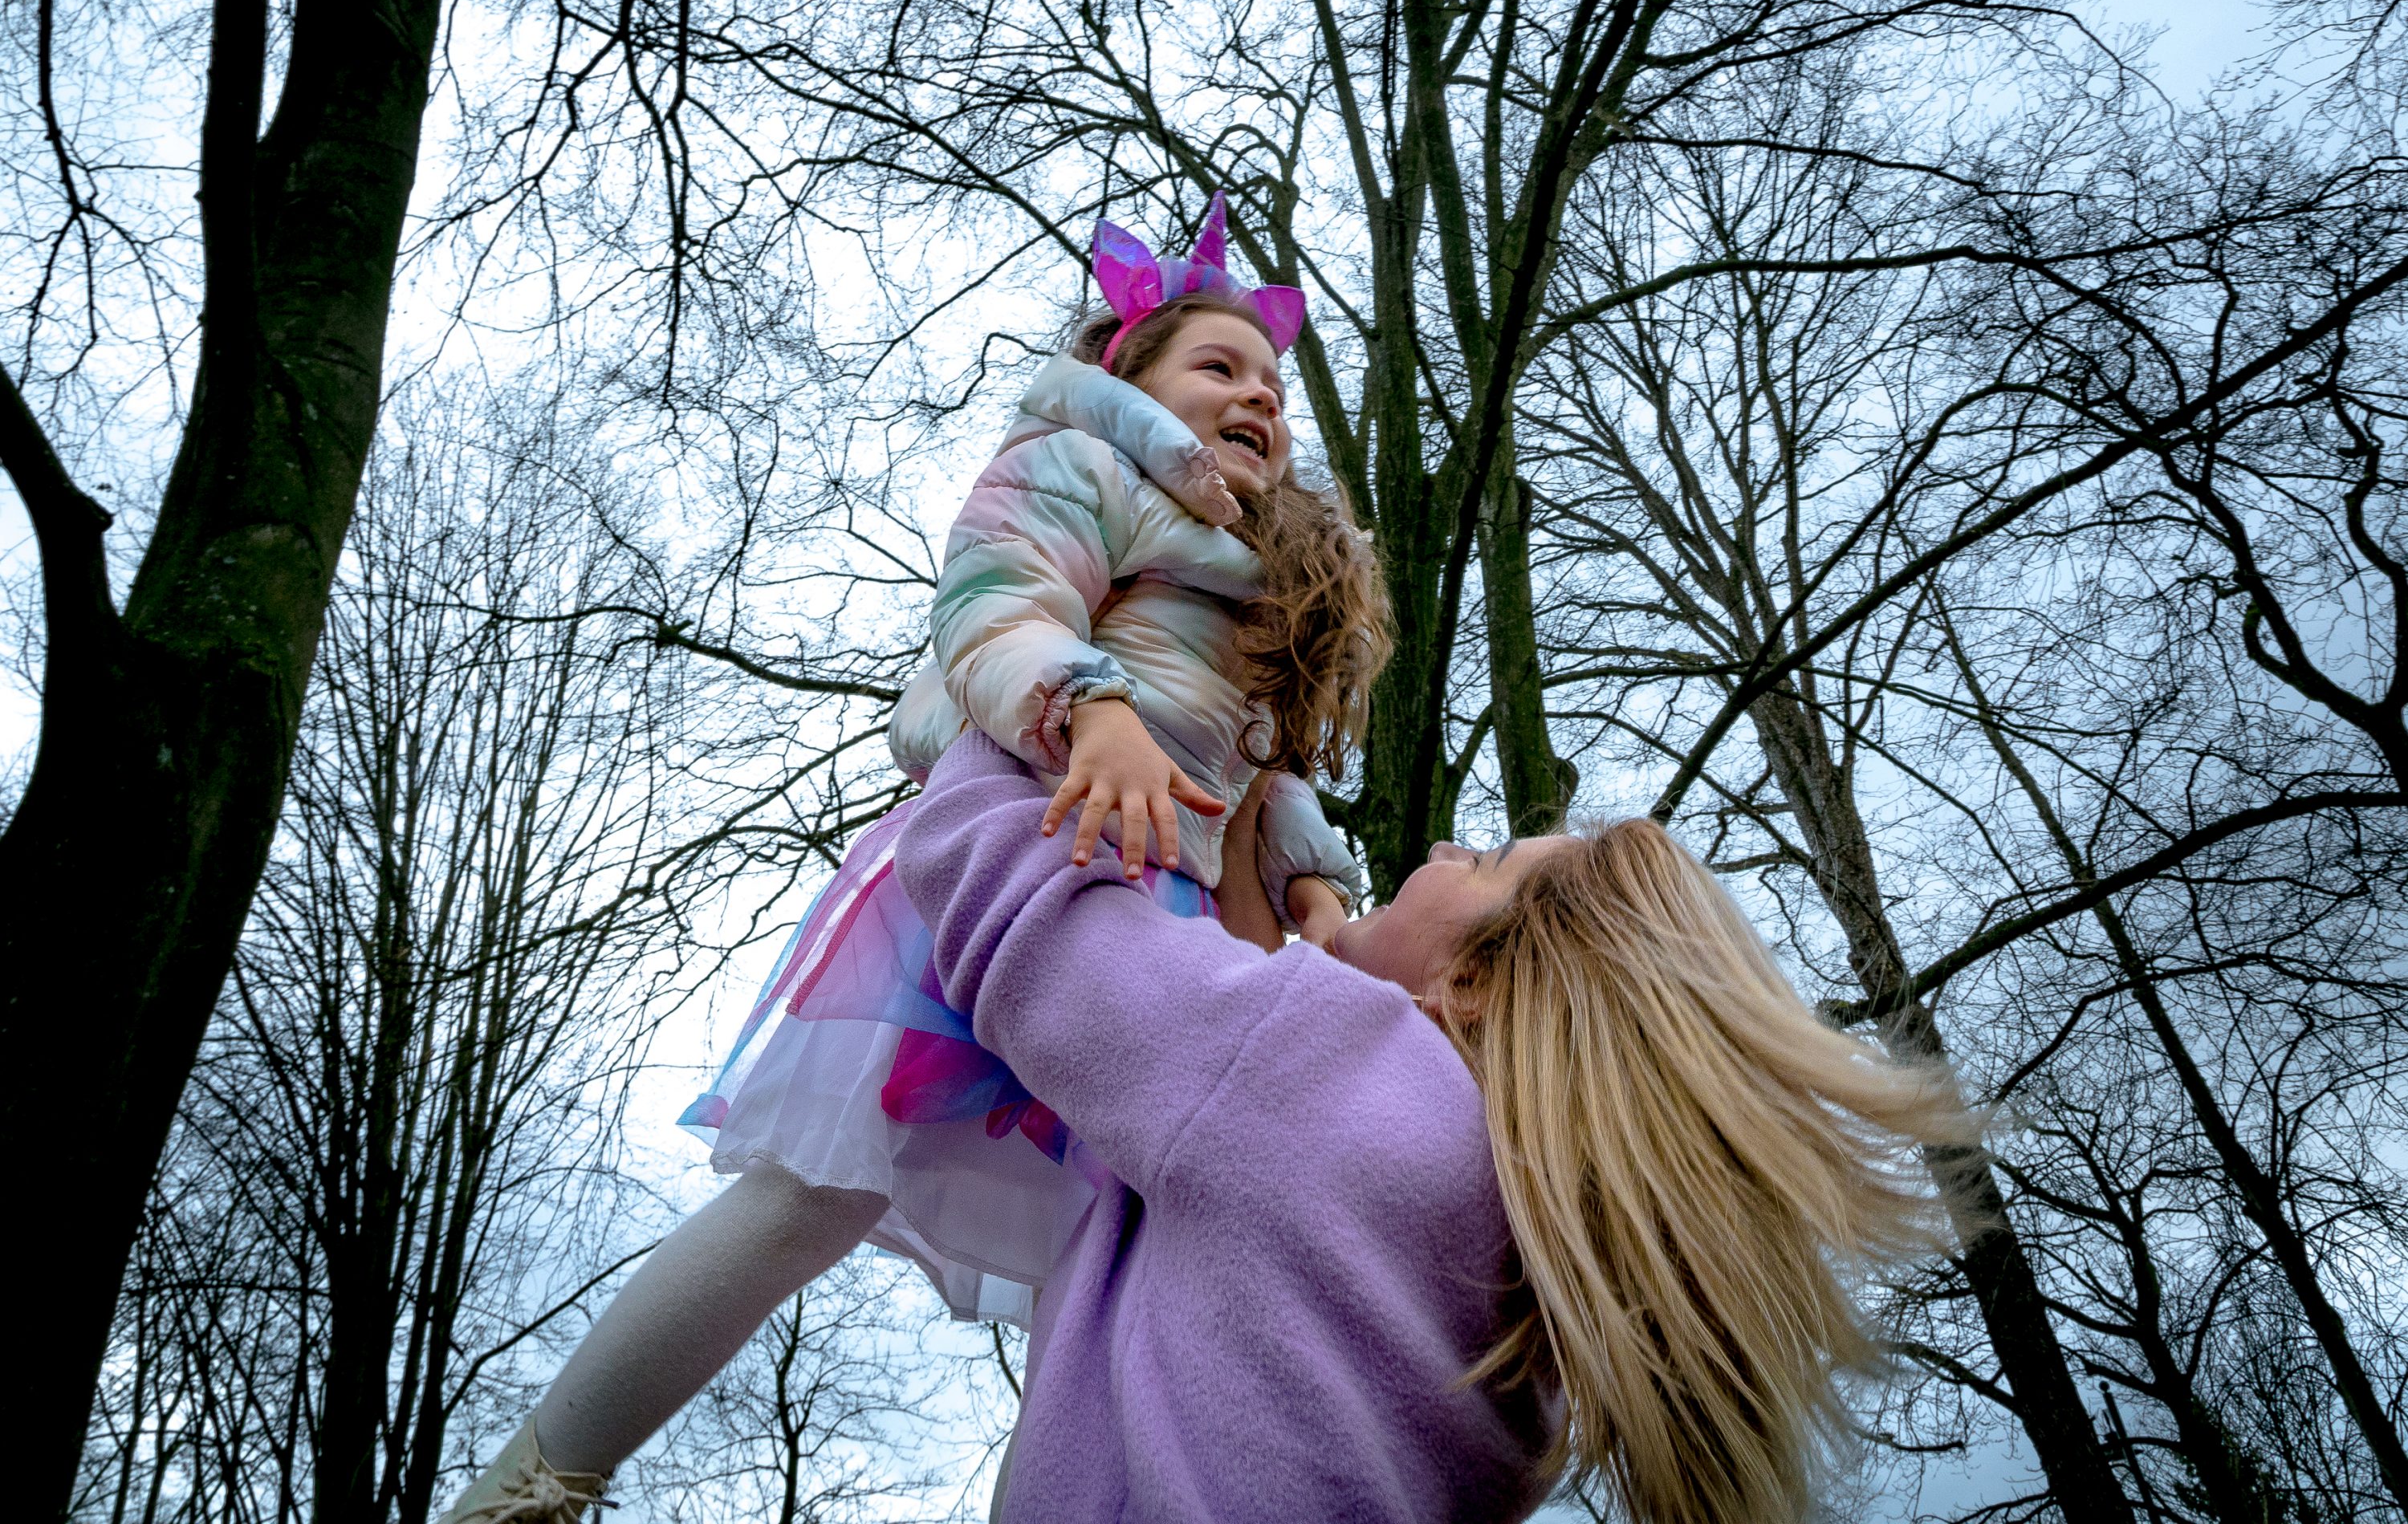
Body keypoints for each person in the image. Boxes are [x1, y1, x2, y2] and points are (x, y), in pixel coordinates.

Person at [437, 192, 1390, 1522]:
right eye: (1220, 367)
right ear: (1130, 374)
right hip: (1026, 858)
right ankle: (534, 1485)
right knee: (814, 1193)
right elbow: (999, 598)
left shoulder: (1267, 574)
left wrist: (1311, 879)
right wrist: (1091, 707)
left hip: (1166, 935)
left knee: (1109, 1281)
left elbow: (1265, 765)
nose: (1256, 400)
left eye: (1274, 391)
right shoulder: (1085, 465)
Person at [889, 730, 1971, 1524]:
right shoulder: (1522, 1331)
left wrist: (1024, 697)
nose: (1449, 845)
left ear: (1476, 985)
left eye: (1486, 865)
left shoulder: (1323, 1080)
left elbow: (999, 882)